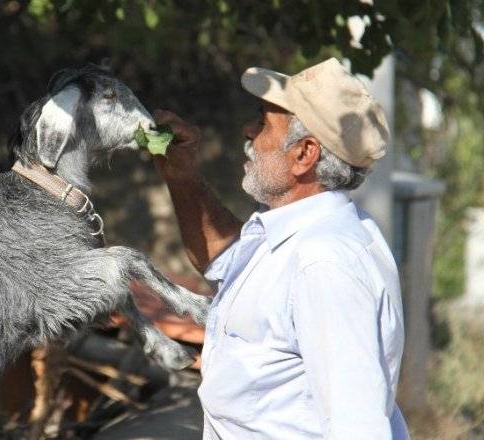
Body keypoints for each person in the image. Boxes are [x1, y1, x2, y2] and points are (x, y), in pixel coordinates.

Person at [153, 57, 409, 439]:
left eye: (263, 122)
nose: (248, 130)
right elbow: (222, 256)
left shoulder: (325, 262)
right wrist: (182, 175)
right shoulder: (302, 233)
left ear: (304, 154)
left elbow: (357, 426)